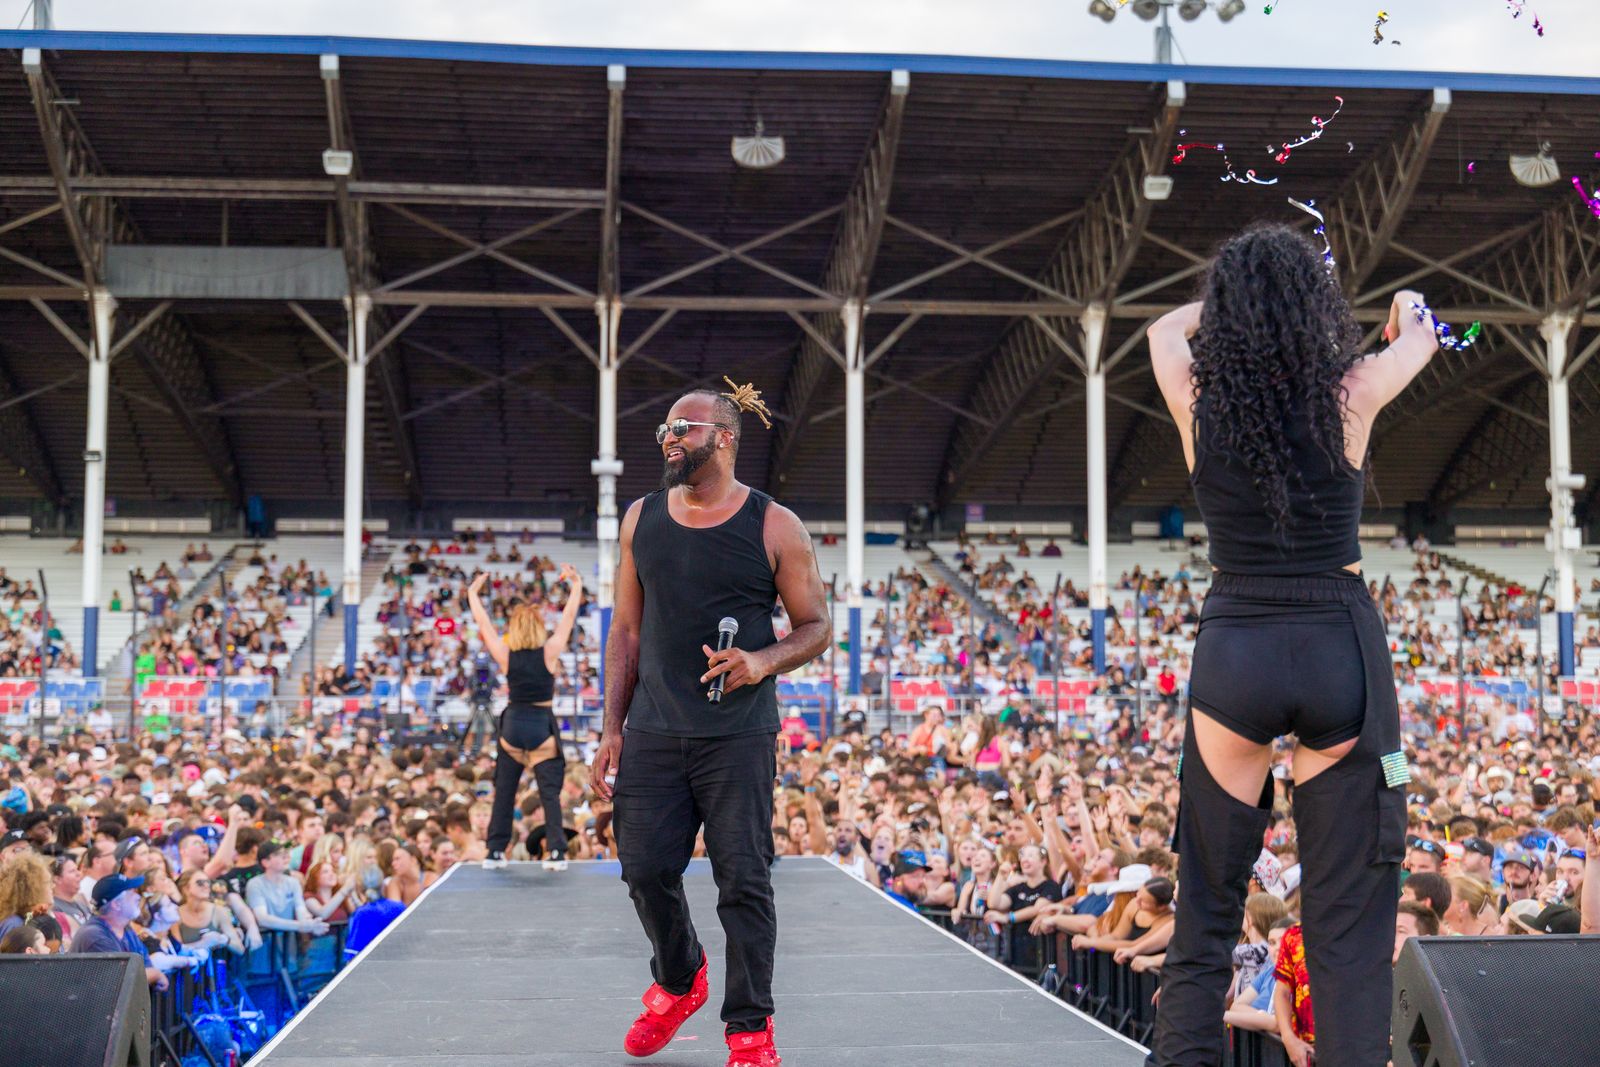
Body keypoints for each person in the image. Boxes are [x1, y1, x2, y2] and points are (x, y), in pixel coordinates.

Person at [1145, 224, 1439, 1067]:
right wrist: (1397, 306)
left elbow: (1163, 329)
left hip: (1236, 640)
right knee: (1348, 922)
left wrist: (1228, 308)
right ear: (1315, 311)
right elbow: (1422, 329)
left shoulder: (1196, 394)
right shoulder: (1353, 389)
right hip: (1337, 640)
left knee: (1206, 907)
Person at [590, 379, 831, 1067]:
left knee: (743, 882)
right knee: (644, 869)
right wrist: (612, 727)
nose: (669, 437)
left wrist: (761, 660)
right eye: (665, 428)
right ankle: (680, 976)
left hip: (738, 735)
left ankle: (750, 1028)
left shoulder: (774, 524)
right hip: (654, 729)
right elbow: (625, 630)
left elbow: (816, 626)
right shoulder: (641, 518)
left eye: (684, 427)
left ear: (724, 437)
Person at [469, 563, 583, 870]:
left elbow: (484, 624)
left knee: (505, 792)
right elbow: (568, 618)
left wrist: (473, 594)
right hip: (541, 726)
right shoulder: (549, 651)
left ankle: (495, 852)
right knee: (549, 794)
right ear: (538, 627)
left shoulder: (505, 655)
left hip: (513, 728)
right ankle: (556, 852)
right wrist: (575, 585)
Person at [68, 874, 168, 991]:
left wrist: (150, 973)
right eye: (131, 892)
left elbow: (145, 965)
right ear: (116, 904)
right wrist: (156, 974)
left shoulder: (126, 929)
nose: (138, 897)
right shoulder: (94, 935)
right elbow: (121, 981)